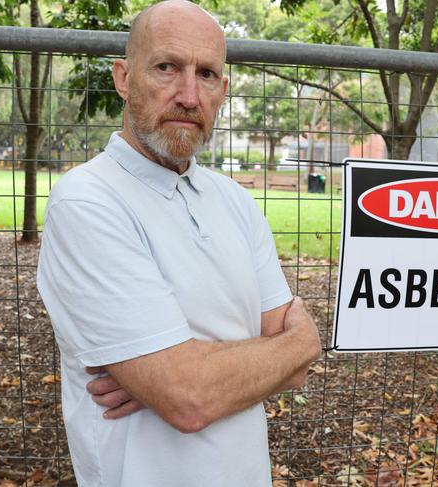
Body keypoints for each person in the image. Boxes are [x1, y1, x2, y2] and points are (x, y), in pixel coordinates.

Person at [36, 1, 322, 486]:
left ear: (223, 91)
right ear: (123, 78)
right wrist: (292, 344)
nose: (189, 95)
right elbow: (189, 399)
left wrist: (179, 369)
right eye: (167, 67)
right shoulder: (86, 202)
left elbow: (290, 368)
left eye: (207, 74)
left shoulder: (234, 200)